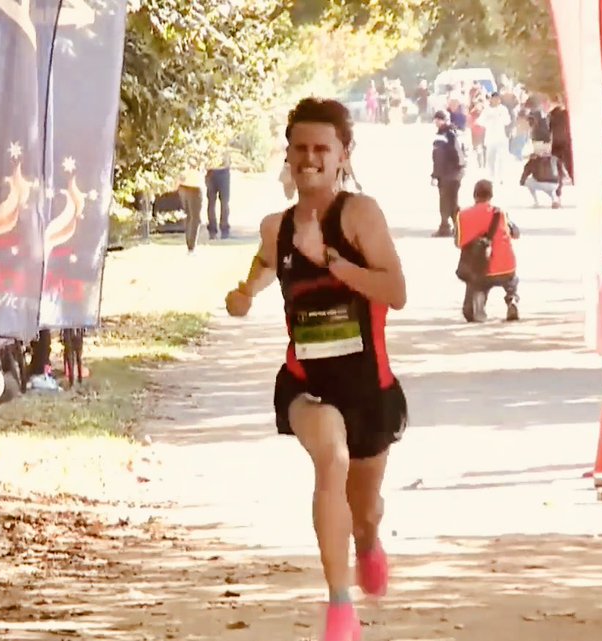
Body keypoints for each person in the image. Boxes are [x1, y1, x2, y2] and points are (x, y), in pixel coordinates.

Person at [224, 98, 407, 641]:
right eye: (300, 147)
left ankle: (369, 542)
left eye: (321, 149)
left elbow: (395, 292)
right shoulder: (274, 226)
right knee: (330, 458)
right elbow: (264, 264)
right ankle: (339, 606)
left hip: (368, 387)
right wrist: (245, 294)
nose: (309, 158)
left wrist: (327, 256)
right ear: (289, 152)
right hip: (308, 384)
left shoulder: (359, 215)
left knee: (364, 509)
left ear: (342, 155)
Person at [455, 180, 520, 322]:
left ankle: (478, 300)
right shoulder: (500, 213)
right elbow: (515, 233)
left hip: (480, 269)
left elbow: (458, 243)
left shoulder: (462, 215)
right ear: (491, 195)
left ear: (474, 195)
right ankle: (512, 299)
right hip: (505, 265)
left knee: (476, 283)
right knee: (511, 280)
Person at [431, 110, 466, 237]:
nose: (436, 122)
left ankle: (445, 227)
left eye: (438, 119)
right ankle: (458, 227)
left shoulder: (445, 135)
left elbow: (439, 158)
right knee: (453, 201)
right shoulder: (455, 133)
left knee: (445, 201)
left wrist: (435, 176)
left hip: (448, 173)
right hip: (455, 173)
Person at [520, 141, 570, 208]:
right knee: (551, 187)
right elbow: (563, 175)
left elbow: (526, 171)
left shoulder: (534, 159)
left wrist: (522, 181)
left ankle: (536, 202)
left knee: (528, 181)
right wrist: (559, 189)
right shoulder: (556, 159)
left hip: (540, 182)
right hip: (555, 184)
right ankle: (554, 199)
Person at [478, 93, 511, 182]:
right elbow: (480, 121)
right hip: (490, 137)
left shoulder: (503, 109)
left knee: (501, 158)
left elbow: (508, 121)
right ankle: (491, 176)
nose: (496, 100)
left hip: (501, 137)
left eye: (498, 99)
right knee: (490, 158)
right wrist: (488, 121)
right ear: (491, 99)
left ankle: (501, 177)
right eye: (494, 99)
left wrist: (501, 118)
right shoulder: (487, 110)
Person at [206, 150, 233, 240]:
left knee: (222, 203)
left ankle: (221, 229)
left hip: (220, 170)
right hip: (214, 171)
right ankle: (215, 230)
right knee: (214, 203)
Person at [177, 168, 204, 253]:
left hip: (183, 185)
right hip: (194, 185)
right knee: (195, 218)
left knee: (189, 216)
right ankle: (191, 246)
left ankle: (190, 244)